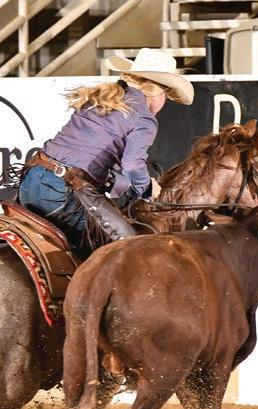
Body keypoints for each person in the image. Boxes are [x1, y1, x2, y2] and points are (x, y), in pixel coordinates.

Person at [18, 48, 194, 256]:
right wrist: (147, 189)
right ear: (158, 92)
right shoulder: (144, 119)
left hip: (31, 180)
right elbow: (132, 166)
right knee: (130, 250)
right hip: (61, 192)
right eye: (167, 95)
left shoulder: (103, 98)